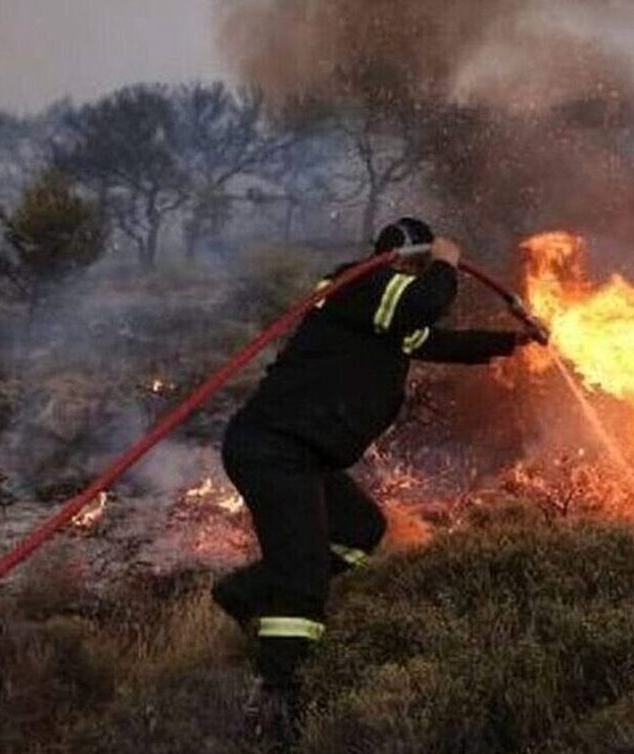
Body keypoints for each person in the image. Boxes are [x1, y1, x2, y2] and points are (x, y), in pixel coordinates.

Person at [213, 217, 540, 741]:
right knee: (303, 584)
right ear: (401, 261)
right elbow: (423, 305)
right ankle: (275, 697)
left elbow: (432, 340)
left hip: (301, 454)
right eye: (418, 265)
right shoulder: (362, 285)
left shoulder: (379, 313)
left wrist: (513, 342)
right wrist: (448, 265)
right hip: (274, 451)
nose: (420, 275)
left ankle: (244, 593)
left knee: (359, 529)